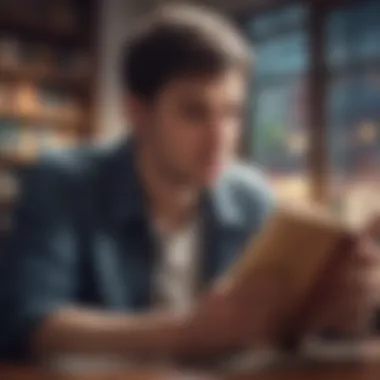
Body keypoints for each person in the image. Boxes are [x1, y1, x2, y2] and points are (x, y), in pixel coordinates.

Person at [0, 4, 380, 362]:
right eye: (195, 112)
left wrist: (336, 317)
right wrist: (187, 332)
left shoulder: (251, 196)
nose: (221, 139)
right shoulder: (63, 181)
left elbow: (273, 336)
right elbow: (27, 322)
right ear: (138, 113)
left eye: (231, 113)